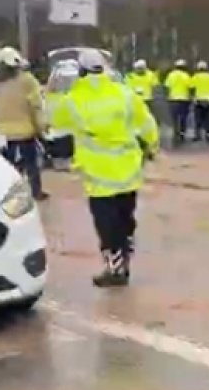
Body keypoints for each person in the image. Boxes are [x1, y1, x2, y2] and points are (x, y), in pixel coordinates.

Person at [49, 49, 160, 287]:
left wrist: (53, 91)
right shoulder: (125, 94)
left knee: (107, 225)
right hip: (128, 170)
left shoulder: (73, 100)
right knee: (125, 217)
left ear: (81, 71)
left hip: (99, 176)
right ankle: (125, 250)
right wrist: (152, 147)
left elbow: (53, 120)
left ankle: (115, 267)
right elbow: (147, 124)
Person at [0, 46, 48, 201]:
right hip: (26, 132)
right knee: (31, 166)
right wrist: (42, 128)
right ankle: (36, 192)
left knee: (9, 167)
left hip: (3, 135)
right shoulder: (28, 81)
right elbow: (36, 107)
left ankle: (10, 194)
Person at [164, 59, 192, 147]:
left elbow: (167, 87)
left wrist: (167, 96)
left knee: (174, 117)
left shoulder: (171, 75)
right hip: (184, 99)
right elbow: (190, 87)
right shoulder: (186, 76)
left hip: (173, 99)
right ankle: (182, 132)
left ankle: (176, 132)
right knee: (183, 116)